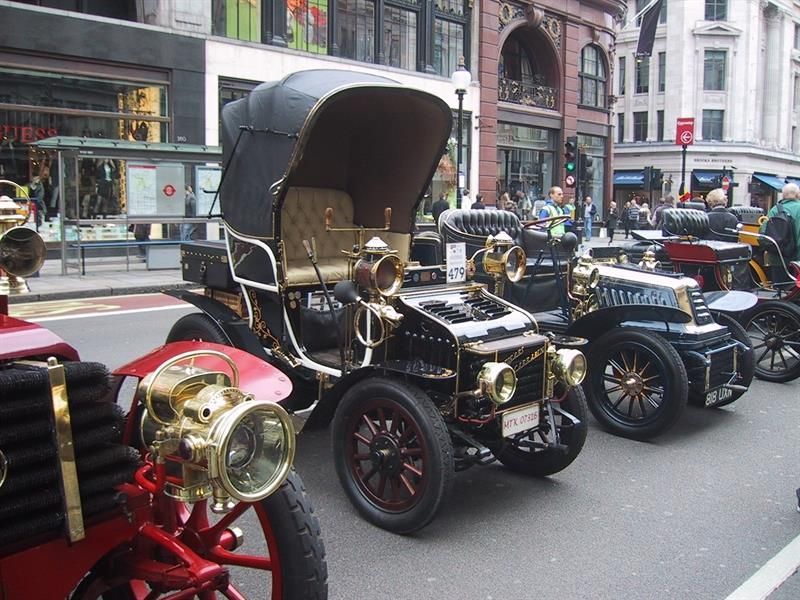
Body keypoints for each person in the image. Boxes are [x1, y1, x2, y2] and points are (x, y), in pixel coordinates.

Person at [761, 182, 800, 268]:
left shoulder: (775, 210)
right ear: (798, 194)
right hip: (796, 262)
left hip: (777, 260)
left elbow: (762, 235)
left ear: (783, 195)